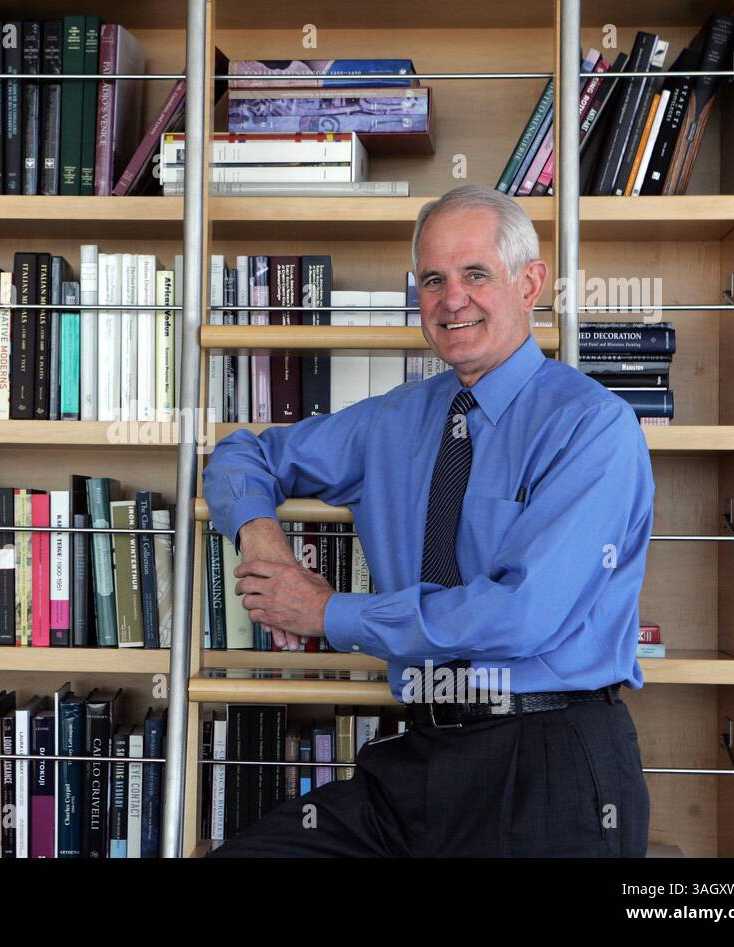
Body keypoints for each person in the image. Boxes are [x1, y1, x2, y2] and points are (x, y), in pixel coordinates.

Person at [202, 184, 654, 857]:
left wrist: (328, 612)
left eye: (476, 274)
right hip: (418, 756)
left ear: (530, 284)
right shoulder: (393, 420)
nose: (452, 299)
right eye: (433, 280)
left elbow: (522, 614)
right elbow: (243, 454)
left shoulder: (592, 426)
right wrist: (260, 536)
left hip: (549, 760)